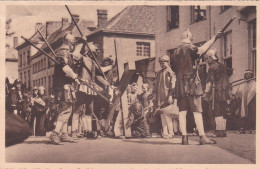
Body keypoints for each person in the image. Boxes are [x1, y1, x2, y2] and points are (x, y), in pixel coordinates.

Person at [171, 28, 223, 145]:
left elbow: (174, 68)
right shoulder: (191, 48)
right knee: (197, 111)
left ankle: (184, 138)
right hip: (192, 83)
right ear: (190, 40)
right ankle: (202, 136)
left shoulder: (174, 53)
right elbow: (202, 49)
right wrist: (214, 38)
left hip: (180, 85)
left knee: (182, 111)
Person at [49, 31, 80, 144]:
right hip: (63, 86)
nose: (74, 46)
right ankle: (55, 134)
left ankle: (64, 134)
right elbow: (65, 68)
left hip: (66, 85)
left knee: (67, 110)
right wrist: (75, 76)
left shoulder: (64, 52)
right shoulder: (63, 53)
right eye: (73, 43)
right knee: (66, 110)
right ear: (70, 43)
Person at [203, 49, 231, 137]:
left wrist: (206, 93)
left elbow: (209, 82)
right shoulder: (223, 66)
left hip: (217, 91)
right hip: (225, 90)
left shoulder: (211, 67)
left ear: (211, 58)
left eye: (208, 58)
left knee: (217, 110)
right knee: (223, 110)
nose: (207, 60)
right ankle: (223, 130)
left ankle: (219, 130)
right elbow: (230, 74)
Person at [154, 55, 177, 139]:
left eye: (163, 63)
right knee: (162, 114)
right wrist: (155, 96)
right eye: (160, 63)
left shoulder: (171, 72)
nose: (161, 64)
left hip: (167, 96)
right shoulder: (159, 73)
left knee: (168, 114)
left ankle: (171, 132)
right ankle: (165, 131)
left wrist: (170, 96)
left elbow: (173, 85)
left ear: (168, 62)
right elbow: (156, 86)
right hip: (160, 97)